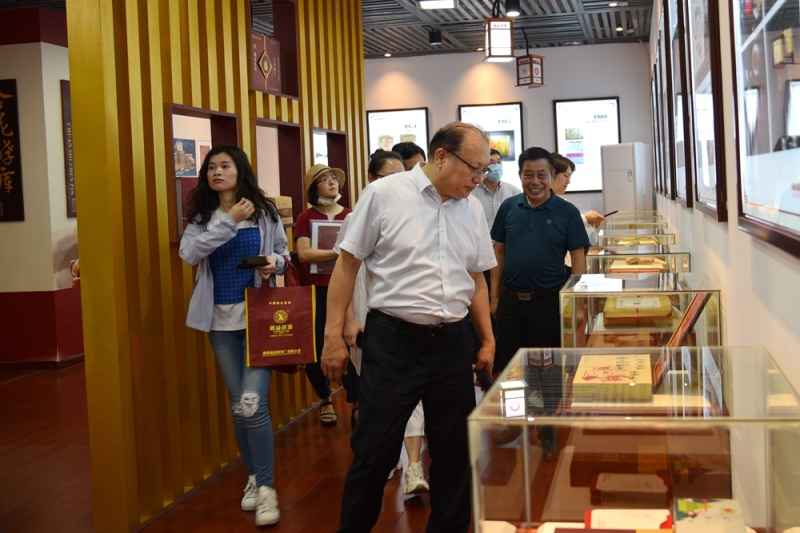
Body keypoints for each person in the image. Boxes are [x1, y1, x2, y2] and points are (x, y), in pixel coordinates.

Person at [323, 122, 496, 533]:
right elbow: (347, 266)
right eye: (474, 168)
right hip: (394, 342)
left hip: (452, 342)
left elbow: (476, 277)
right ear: (442, 157)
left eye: (484, 170)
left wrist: (487, 339)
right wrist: (333, 336)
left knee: (455, 454)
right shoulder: (384, 194)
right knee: (374, 452)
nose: (479, 179)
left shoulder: (471, 207)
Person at [179, 145, 286, 526]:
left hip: (260, 318)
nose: (217, 172)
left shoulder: (265, 211)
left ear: (240, 170)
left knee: (253, 403)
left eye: (225, 166)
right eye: (211, 167)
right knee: (239, 405)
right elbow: (190, 254)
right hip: (219, 323)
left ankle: (268, 489)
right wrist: (227, 220)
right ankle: (254, 478)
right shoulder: (203, 217)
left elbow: (283, 254)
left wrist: (276, 262)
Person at [333, 149, 430, 494]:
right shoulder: (354, 218)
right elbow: (343, 274)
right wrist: (348, 320)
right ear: (372, 180)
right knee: (377, 394)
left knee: (413, 390)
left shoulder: (415, 214)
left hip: (398, 317)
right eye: (390, 177)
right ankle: (387, 457)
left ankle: (414, 466)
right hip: (364, 314)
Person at [489, 147, 590, 461]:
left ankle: (547, 428)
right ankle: (516, 421)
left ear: (552, 176)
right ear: (520, 175)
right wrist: (494, 295)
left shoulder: (566, 212)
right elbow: (499, 251)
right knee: (510, 367)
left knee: (549, 370)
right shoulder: (509, 207)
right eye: (528, 174)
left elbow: (578, 259)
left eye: (541, 175)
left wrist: (577, 301)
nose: (535, 181)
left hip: (549, 304)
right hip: (511, 302)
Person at [295, 163, 359, 427]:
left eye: (334, 178)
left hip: (350, 289)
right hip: (315, 290)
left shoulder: (351, 215)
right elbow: (304, 254)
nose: (332, 182)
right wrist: (340, 252)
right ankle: (325, 399)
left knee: (354, 343)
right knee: (316, 347)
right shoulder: (305, 217)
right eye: (324, 179)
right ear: (314, 188)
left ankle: (357, 401)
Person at [471, 148, 522, 305]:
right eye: (491, 163)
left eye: (499, 162)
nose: (496, 166)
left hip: (507, 257)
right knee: (483, 302)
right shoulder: (472, 193)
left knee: (506, 303)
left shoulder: (513, 192)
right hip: (482, 257)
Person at [551, 153, 604, 277]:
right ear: (552, 174)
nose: (568, 181)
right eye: (566, 176)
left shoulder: (564, 204)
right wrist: (584, 218)